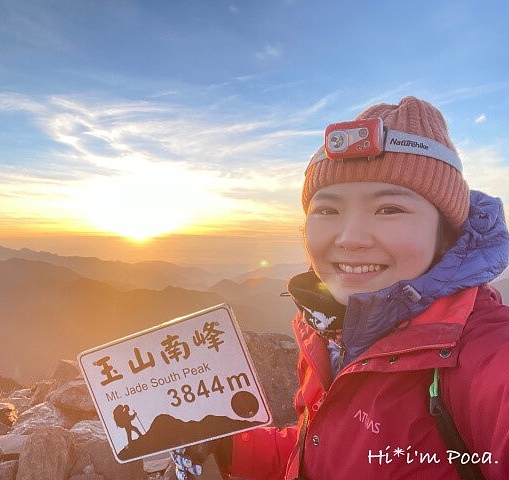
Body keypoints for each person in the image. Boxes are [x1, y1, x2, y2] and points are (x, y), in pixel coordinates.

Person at [173, 96, 509, 479]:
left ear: (445, 233)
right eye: (327, 210)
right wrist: (228, 444)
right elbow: (321, 451)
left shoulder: (487, 358)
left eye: (389, 209)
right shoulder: (331, 332)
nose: (350, 238)